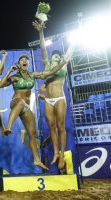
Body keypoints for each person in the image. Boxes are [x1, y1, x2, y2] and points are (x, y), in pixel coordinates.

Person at [0, 53, 71, 170]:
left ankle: (37, 160)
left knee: (32, 133)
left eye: (26, 59)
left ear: (27, 64)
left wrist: (63, 63)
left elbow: (50, 72)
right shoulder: (15, 77)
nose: (24, 61)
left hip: (26, 107)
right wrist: (9, 70)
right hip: (16, 101)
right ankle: (8, 127)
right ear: (18, 64)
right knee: (21, 102)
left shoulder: (33, 75)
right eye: (21, 59)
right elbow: (1, 85)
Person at [32, 20, 74, 170]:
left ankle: (62, 154)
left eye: (58, 56)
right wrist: (40, 31)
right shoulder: (47, 66)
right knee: (51, 126)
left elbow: (69, 52)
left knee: (61, 126)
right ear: (50, 59)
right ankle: (56, 152)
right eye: (54, 56)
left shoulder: (63, 64)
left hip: (60, 98)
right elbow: (43, 47)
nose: (56, 57)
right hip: (49, 100)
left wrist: (73, 42)